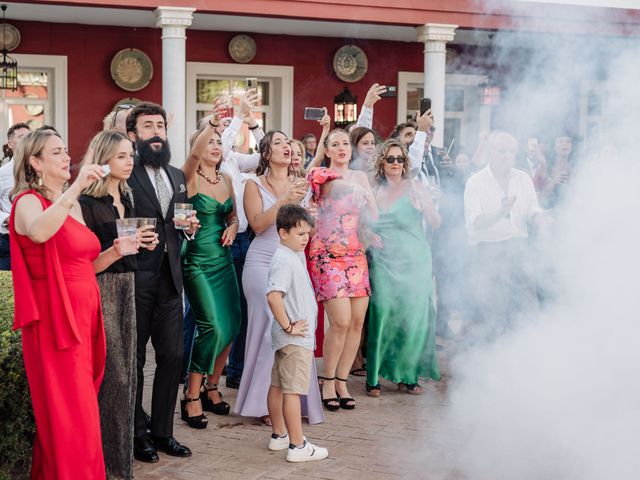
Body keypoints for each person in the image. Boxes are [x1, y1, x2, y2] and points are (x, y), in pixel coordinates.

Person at [10, 128, 127, 478]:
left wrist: (115, 252)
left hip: (85, 314)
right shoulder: (28, 201)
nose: (67, 158)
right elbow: (39, 233)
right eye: (57, 152)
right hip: (54, 319)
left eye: (66, 150)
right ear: (35, 162)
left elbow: (81, 267)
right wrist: (75, 187)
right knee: (70, 411)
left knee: (82, 406)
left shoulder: (71, 204)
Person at [79, 130, 158, 480]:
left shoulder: (128, 195)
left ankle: (120, 459)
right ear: (104, 158)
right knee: (112, 377)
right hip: (101, 289)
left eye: (131, 156)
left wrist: (145, 243)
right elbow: (84, 261)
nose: (130, 162)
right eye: (123, 156)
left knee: (128, 374)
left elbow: (130, 245)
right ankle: (105, 463)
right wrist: (117, 248)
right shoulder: (85, 204)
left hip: (129, 284)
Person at [126, 102, 199, 463]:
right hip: (134, 279)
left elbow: (180, 219)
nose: (156, 132)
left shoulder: (177, 175)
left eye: (161, 125)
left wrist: (189, 227)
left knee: (172, 355)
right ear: (132, 135)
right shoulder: (124, 175)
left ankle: (162, 431)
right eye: (148, 126)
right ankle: (138, 433)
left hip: (171, 278)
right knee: (136, 359)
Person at [234, 130, 324, 425]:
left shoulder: (302, 185)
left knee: (297, 326)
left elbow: (304, 229)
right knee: (269, 326)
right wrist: (285, 200)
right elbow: (258, 225)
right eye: (278, 143)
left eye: (288, 142)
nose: (286, 146)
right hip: (261, 261)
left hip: (293, 261)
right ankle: (261, 405)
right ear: (265, 153)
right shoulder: (253, 184)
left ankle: (295, 401)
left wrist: (308, 217)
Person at [308, 128, 377, 411]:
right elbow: (332, 188)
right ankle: (326, 381)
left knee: (358, 322)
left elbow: (373, 215)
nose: (341, 148)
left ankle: (341, 380)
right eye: (334, 144)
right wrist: (358, 190)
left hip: (355, 253)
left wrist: (370, 205)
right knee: (340, 321)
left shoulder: (360, 177)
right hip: (326, 254)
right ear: (326, 150)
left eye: (345, 144)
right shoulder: (318, 174)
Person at [365, 140, 441, 396]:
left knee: (412, 317)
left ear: (405, 163)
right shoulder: (373, 189)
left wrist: (425, 204)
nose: (395, 163)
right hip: (385, 261)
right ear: (382, 163)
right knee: (382, 311)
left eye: (400, 159)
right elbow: (359, 222)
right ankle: (373, 376)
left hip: (415, 261)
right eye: (390, 159)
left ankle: (407, 376)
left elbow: (436, 222)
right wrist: (367, 234)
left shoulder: (416, 187)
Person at [180, 121, 241, 428]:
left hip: (224, 259)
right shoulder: (188, 177)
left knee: (232, 324)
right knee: (211, 328)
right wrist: (212, 123)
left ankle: (212, 386)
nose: (216, 147)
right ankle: (191, 395)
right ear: (197, 148)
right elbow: (178, 216)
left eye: (219, 142)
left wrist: (232, 227)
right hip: (196, 261)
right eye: (210, 142)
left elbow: (233, 216)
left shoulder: (227, 178)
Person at [464, 131, 544, 339]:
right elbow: (474, 223)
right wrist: (499, 213)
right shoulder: (476, 182)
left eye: (511, 151)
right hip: (488, 251)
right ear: (490, 152)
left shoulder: (523, 178)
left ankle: (523, 355)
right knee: (493, 310)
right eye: (502, 151)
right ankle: (490, 359)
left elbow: (532, 208)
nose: (507, 155)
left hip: (519, 248)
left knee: (526, 307)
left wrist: (539, 218)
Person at [266, 204, 329, 462]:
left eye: (307, 233)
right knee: (292, 391)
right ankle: (297, 445)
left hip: (288, 339)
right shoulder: (284, 259)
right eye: (300, 234)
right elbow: (273, 296)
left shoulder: (292, 254)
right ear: (283, 233)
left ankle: (279, 435)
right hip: (294, 338)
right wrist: (289, 326)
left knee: (279, 385)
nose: (306, 238)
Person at [218, 91, 264, 390]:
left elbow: (265, 156)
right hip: (223, 240)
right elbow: (219, 146)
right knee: (227, 311)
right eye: (220, 124)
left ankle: (236, 372)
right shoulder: (216, 157)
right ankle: (197, 372)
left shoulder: (235, 158)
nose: (226, 128)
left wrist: (254, 125)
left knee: (246, 310)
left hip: (246, 238)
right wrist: (237, 117)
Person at [0, 123, 30, 270]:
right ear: (11, 144)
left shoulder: (40, 170)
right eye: (22, 137)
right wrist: (5, 218)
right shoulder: (2, 173)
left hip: (36, 240)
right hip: (9, 243)